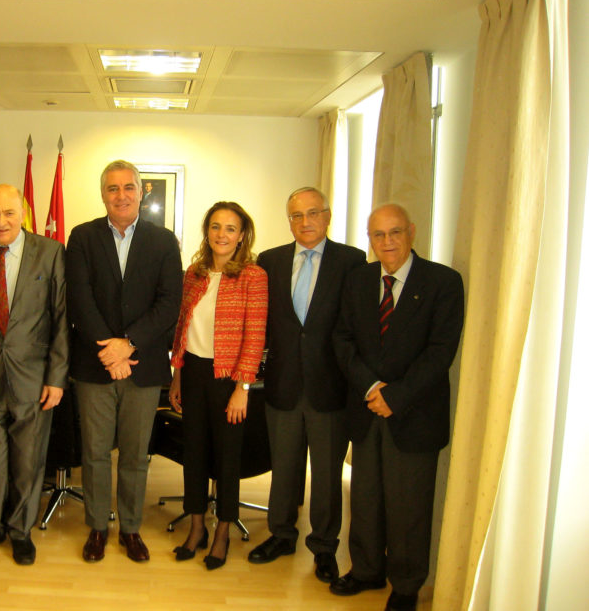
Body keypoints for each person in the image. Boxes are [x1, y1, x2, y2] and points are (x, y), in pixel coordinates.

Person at [331, 204, 464, 611]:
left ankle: (406, 585)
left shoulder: (443, 281)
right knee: (365, 496)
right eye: (377, 235)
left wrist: (396, 395)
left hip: (414, 414)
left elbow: (441, 351)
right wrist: (372, 387)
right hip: (366, 408)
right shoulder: (358, 280)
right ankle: (367, 569)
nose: (386, 242)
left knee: (409, 506)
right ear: (368, 239)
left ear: (412, 232)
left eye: (394, 233)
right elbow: (343, 340)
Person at [66, 160, 182, 563]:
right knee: (95, 452)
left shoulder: (164, 241)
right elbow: (80, 298)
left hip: (143, 365)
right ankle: (98, 526)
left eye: (128, 187)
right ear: (103, 194)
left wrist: (128, 345)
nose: (121, 195)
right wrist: (109, 349)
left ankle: (130, 529)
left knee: (135, 454)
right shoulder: (81, 237)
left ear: (141, 193)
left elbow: (169, 303)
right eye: (112, 188)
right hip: (95, 365)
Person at [252, 187, 365, 581]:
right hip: (282, 384)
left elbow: (357, 327)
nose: (305, 222)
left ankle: (323, 546)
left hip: (330, 387)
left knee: (328, 475)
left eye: (312, 213)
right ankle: (281, 534)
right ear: (289, 221)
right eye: (296, 216)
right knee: (283, 468)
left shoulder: (353, 262)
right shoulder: (270, 261)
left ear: (327, 215)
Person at [0, 184, 68, 566]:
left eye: (8, 213)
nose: (0, 221)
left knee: (28, 458)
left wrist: (57, 377)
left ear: (21, 213)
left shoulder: (50, 252)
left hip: (34, 379)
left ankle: (20, 531)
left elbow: (61, 319)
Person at [167, 202, 268, 570]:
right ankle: (196, 527)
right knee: (193, 452)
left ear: (242, 235)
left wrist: (243, 387)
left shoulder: (253, 277)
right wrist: (177, 373)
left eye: (230, 228)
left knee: (227, 458)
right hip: (192, 372)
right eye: (215, 226)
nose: (221, 235)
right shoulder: (193, 273)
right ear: (207, 231)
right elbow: (182, 329)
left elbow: (254, 336)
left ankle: (222, 530)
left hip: (229, 378)